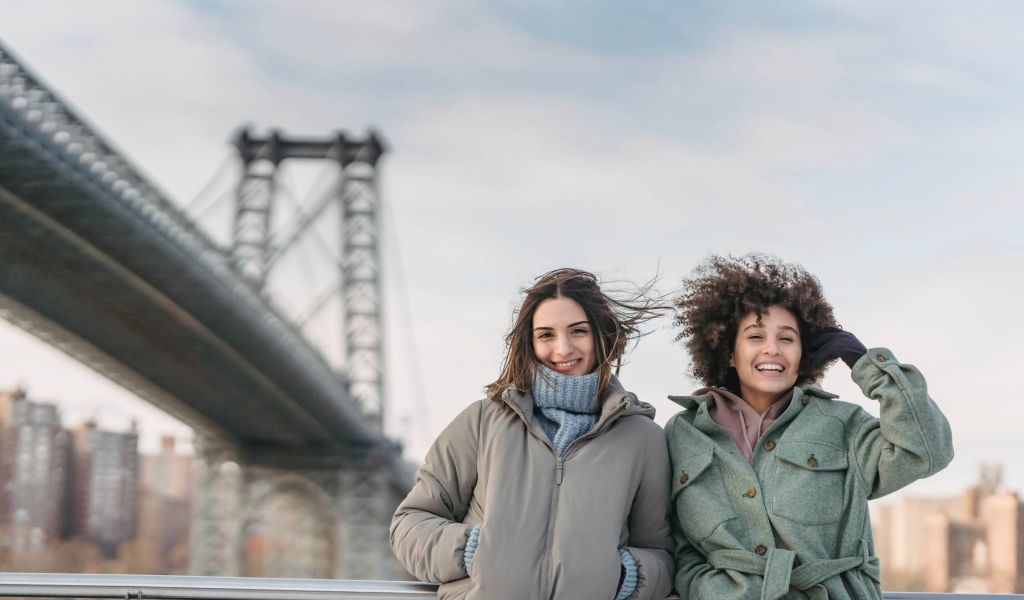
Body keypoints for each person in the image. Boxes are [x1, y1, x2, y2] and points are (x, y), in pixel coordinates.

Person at [665, 254, 953, 600]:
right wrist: (708, 589)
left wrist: (867, 366)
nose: (772, 349)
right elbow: (679, 547)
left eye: (787, 339)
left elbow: (928, 451)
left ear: (803, 354)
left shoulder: (843, 423)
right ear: (729, 352)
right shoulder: (685, 431)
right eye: (755, 337)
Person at [390, 268, 675, 599]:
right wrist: (473, 550)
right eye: (546, 335)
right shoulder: (483, 422)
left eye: (578, 331)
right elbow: (410, 523)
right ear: (529, 343)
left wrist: (623, 576)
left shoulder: (643, 439)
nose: (563, 349)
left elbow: (662, 555)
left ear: (602, 336)